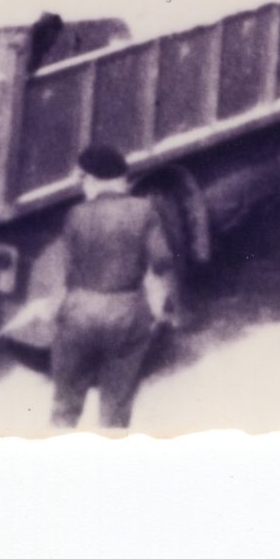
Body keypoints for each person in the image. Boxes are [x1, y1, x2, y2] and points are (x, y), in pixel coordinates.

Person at [48, 145, 176, 431]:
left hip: (79, 312)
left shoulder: (75, 214)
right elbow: (161, 261)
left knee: (65, 405)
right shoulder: (145, 211)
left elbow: (67, 271)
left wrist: (56, 309)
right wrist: (160, 305)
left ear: (93, 179)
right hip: (127, 312)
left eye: (83, 179)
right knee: (116, 407)